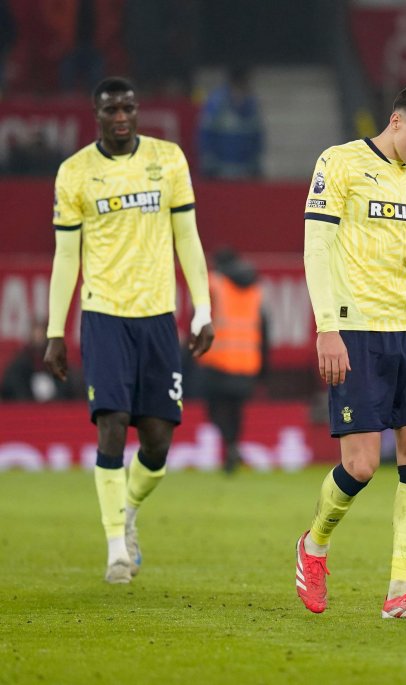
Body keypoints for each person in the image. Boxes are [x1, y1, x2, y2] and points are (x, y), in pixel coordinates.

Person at [44, 77, 214, 584]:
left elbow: (188, 238)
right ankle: (116, 546)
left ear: (137, 111)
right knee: (112, 421)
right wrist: (56, 330)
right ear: (96, 115)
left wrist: (202, 309)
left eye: (128, 107)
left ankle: (130, 510)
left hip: (159, 315)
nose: (120, 116)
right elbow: (66, 255)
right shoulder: (75, 173)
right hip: (103, 314)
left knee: (158, 443)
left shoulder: (169, 161)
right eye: (110, 109)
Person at [296, 83, 406, 620]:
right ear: (396, 121)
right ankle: (314, 545)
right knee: (361, 466)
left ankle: (400, 592)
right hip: (357, 328)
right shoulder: (338, 163)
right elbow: (316, 247)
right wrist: (327, 328)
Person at [197, 248, 267, 473]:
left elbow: (200, 318)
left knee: (215, 410)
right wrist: (264, 367)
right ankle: (233, 446)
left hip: (218, 361)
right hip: (247, 362)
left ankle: (230, 446)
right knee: (236, 411)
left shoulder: (215, 284)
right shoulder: (254, 288)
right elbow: (264, 328)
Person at [197, 65, 264, 179]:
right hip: (219, 172)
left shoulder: (251, 103)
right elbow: (205, 135)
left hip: (244, 173)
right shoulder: (216, 102)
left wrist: (254, 167)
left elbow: (257, 137)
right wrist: (209, 165)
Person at [1, 319, 77, 401]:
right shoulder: (19, 364)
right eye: (36, 334)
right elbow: (12, 387)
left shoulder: (57, 362)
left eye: (41, 334)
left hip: (54, 410)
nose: (38, 338)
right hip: (26, 409)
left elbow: (67, 387)